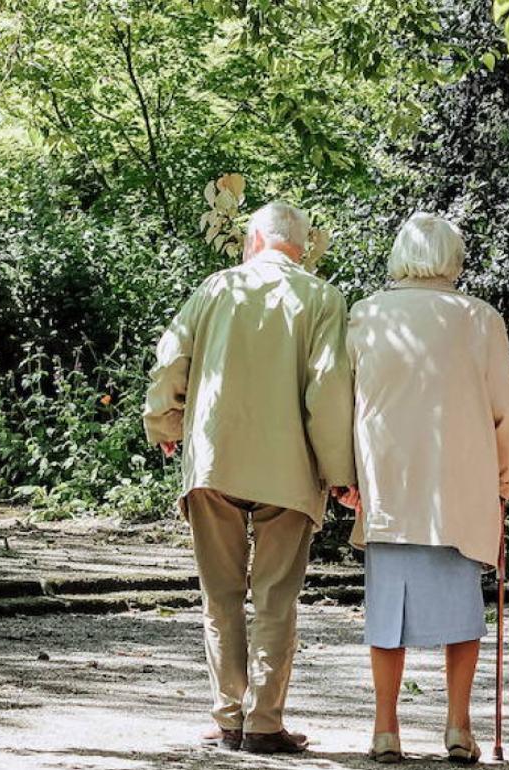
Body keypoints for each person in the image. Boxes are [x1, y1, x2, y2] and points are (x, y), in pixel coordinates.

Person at [143, 200, 357, 754]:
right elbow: (328, 390)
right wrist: (339, 473)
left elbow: (171, 360)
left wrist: (164, 421)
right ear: (301, 246)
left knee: (220, 595)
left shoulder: (216, 289)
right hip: (289, 470)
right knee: (275, 598)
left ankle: (228, 717)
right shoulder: (322, 298)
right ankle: (264, 724)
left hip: (216, 461)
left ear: (254, 240)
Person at [345, 213, 509, 764]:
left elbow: (342, 403)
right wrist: (508, 476)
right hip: (459, 486)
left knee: (387, 613)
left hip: (389, 486)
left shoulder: (367, 314)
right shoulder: (478, 319)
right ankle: (458, 725)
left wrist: (344, 476)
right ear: (454, 258)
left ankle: (385, 729)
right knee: (462, 611)